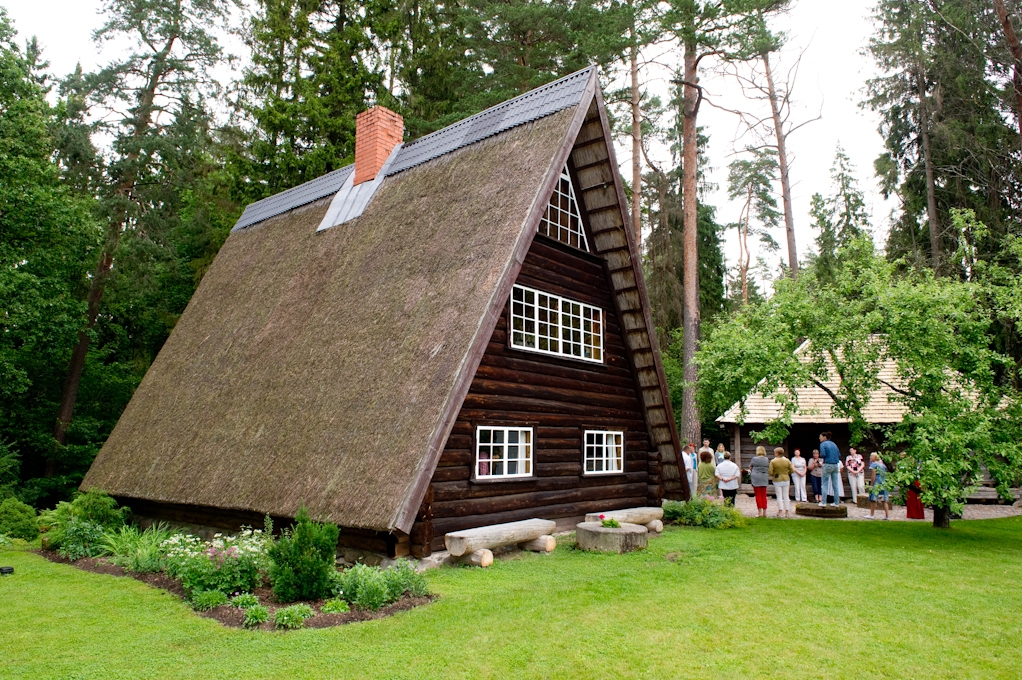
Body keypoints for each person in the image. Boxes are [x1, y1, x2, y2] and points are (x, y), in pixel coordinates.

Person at [768, 447, 795, 518]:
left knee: (779, 495)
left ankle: (780, 510)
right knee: (786, 495)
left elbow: (770, 472)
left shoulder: (773, 461)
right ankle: (787, 510)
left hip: (777, 479)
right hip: (786, 478)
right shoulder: (787, 460)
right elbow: (792, 470)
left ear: (777, 453)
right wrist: (786, 473)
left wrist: (774, 474)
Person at [818, 431, 842, 508]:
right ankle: (836, 502)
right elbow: (839, 454)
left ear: (824, 437)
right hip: (835, 465)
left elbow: (823, 454)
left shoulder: (823, 444)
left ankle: (823, 502)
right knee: (835, 485)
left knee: (824, 484)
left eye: (820, 436)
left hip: (827, 464)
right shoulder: (834, 444)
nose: (819, 438)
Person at [866, 452, 891, 520]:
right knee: (884, 500)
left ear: (874, 457)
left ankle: (871, 514)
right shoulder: (882, 465)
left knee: (873, 499)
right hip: (883, 482)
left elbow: (873, 475)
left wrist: (871, 484)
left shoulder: (874, 464)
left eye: (871, 456)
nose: (870, 458)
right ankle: (887, 516)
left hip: (877, 482)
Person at [749, 446, 771, 518]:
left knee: (758, 494)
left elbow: (750, 466)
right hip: (764, 476)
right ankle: (765, 512)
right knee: (764, 495)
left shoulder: (754, 459)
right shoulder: (766, 459)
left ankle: (760, 512)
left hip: (756, 477)